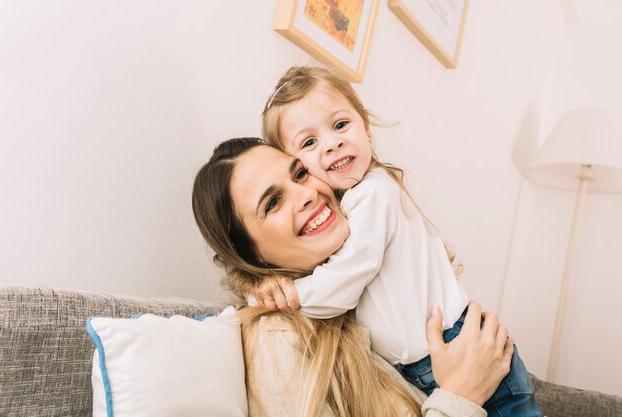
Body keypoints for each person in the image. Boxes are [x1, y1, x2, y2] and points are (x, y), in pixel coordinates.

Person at [255, 65, 543, 417]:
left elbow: (346, 279)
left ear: (367, 128)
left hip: (455, 348)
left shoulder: (374, 193)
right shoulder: (351, 205)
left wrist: (290, 296)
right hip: (431, 361)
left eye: (341, 124)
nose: (333, 143)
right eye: (310, 142)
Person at [192, 137, 514, 417]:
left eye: (301, 174)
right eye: (273, 203)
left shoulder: (368, 265)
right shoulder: (277, 338)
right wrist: (461, 395)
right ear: (248, 255)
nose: (307, 194)